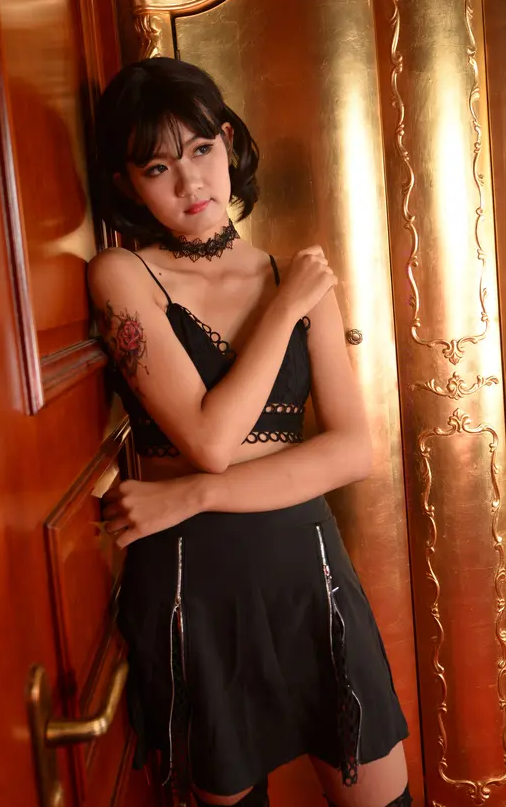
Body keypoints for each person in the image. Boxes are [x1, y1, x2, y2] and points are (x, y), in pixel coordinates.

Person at [89, 57, 410, 807]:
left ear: (228, 142)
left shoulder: (297, 275)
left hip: (309, 574)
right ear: (127, 185)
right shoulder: (123, 276)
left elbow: (353, 450)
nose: (190, 182)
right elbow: (209, 440)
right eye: (158, 167)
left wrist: (191, 496)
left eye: (202, 150)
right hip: (193, 586)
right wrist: (284, 308)